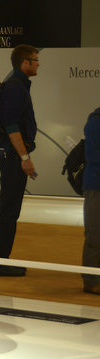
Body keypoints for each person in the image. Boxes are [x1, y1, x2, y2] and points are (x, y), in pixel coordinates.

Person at [0, 44, 39, 276]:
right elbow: (11, 126)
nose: (38, 63)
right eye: (35, 59)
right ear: (24, 62)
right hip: (12, 154)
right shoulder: (15, 88)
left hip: (9, 153)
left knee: (9, 208)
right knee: (9, 208)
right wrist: (25, 157)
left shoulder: (16, 86)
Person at [82, 107, 100, 294]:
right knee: (95, 234)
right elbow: (93, 155)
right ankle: (91, 280)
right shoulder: (95, 121)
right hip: (96, 185)